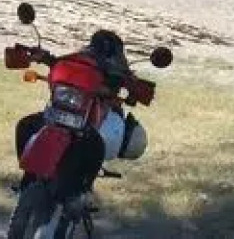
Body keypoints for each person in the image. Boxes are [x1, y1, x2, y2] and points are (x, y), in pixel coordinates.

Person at [12, 31, 139, 193]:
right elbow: (60, 64)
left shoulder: (118, 70)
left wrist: (129, 86)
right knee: (26, 125)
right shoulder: (81, 59)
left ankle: (83, 191)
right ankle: (28, 178)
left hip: (90, 117)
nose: (100, 49)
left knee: (95, 143)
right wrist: (44, 58)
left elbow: (133, 87)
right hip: (63, 110)